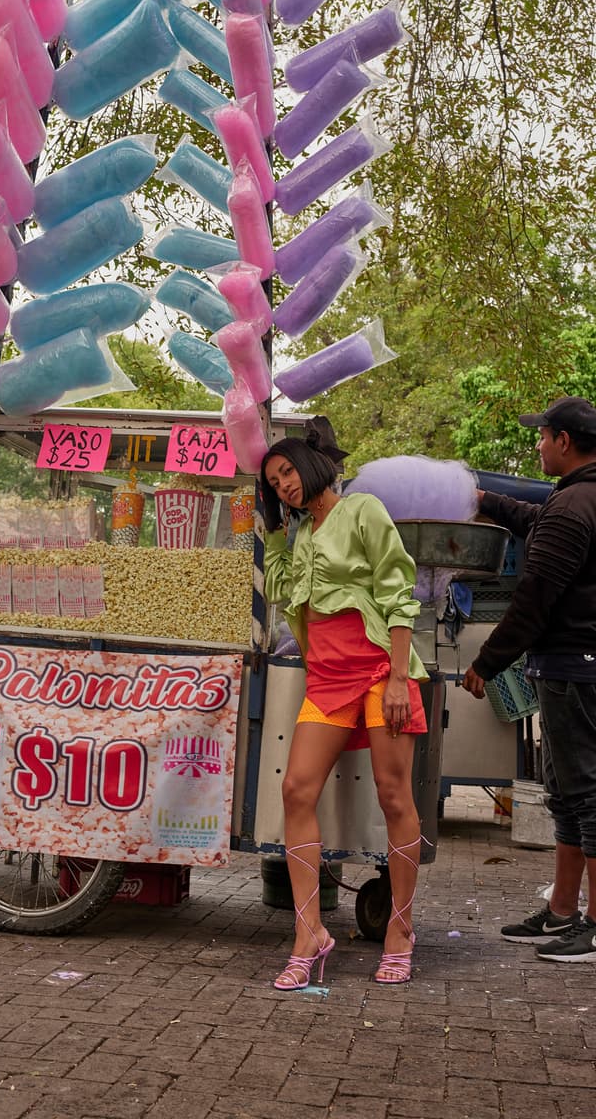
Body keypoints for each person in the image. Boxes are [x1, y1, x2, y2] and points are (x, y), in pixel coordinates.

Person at [261, 419, 428, 987]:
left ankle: (401, 930)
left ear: (309, 465)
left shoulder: (363, 510)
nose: (282, 484)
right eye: (274, 481)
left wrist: (401, 678)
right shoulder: (302, 532)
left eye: (286, 471)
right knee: (296, 789)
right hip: (328, 677)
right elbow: (281, 589)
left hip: (382, 668)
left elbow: (397, 591)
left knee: (393, 795)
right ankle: (310, 931)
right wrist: (276, 532)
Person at [462, 396, 596, 964]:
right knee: (565, 797)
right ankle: (563, 910)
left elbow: (533, 601)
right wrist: (483, 500)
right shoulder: (574, 499)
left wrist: (484, 663)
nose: (538, 444)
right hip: (566, 669)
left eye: (542, 436)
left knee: (587, 798)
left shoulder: (574, 507)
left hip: (575, 670)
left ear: (563, 440)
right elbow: (531, 518)